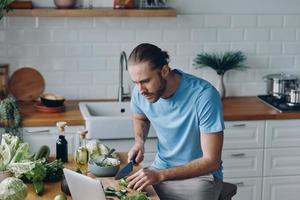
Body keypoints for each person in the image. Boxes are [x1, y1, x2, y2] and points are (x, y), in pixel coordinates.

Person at [126, 43, 224, 200]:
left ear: (164, 71)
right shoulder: (141, 92)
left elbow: (212, 161)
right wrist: (139, 142)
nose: (140, 90)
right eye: (135, 83)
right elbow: (140, 116)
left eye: (145, 81)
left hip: (201, 178)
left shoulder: (204, 96)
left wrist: (160, 175)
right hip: (161, 170)